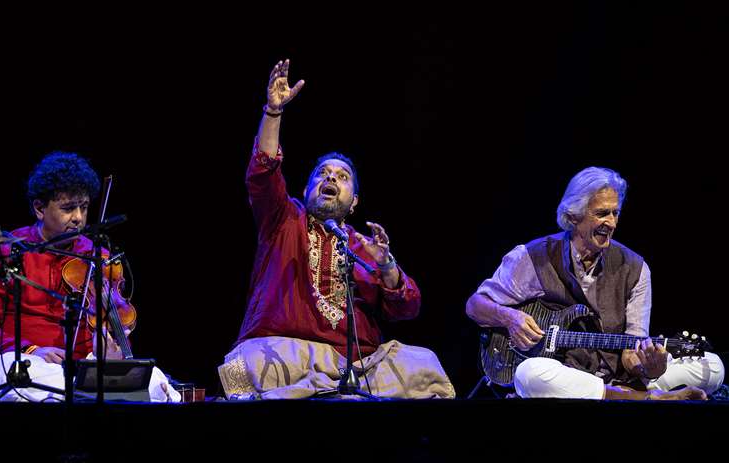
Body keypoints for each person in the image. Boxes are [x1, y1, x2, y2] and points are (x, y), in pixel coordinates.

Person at [217, 60, 454, 399]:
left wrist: (386, 266)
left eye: (342, 177)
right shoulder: (283, 220)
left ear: (354, 201)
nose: (330, 178)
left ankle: (324, 391)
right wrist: (273, 112)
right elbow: (263, 172)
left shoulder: (363, 247)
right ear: (306, 188)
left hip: (356, 365)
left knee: (425, 363)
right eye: (323, 173)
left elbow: (407, 308)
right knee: (249, 361)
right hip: (286, 353)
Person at [465, 166, 724, 400]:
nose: (611, 223)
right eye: (602, 213)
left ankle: (625, 395)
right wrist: (510, 318)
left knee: (712, 366)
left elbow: (631, 353)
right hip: (565, 372)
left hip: (616, 376)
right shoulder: (533, 257)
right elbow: (475, 306)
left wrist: (649, 365)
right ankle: (645, 399)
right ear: (574, 215)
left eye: (615, 213)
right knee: (529, 374)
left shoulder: (635, 268)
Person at [0, 152, 180, 402]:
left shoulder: (99, 259)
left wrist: (114, 353)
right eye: (68, 208)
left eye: (84, 207)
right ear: (39, 208)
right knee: (37, 383)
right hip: (25, 360)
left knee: (157, 384)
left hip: (84, 367)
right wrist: (33, 350)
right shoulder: (7, 252)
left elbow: (112, 327)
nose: (79, 218)